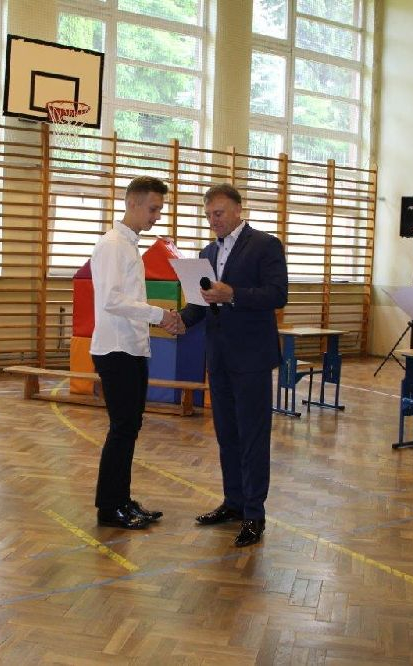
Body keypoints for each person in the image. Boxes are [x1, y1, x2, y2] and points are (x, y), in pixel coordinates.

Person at [178, 184, 288, 547]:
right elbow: (200, 304)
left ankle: (255, 513)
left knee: (253, 435)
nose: (213, 220)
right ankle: (234, 502)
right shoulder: (206, 252)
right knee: (227, 433)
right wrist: (179, 320)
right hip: (219, 356)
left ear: (240, 209)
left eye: (219, 213)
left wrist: (234, 294)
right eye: (209, 215)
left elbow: (278, 294)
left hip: (252, 356)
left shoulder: (265, 245)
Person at [90, 176, 183, 530]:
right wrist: (160, 315)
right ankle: (109, 507)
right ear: (132, 203)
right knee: (122, 428)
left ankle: (122, 500)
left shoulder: (129, 244)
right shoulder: (113, 245)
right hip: (116, 349)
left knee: (130, 427)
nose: (157, 216)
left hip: (131, 347)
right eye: (153, 209)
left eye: (159, 210)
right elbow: (112, 300)